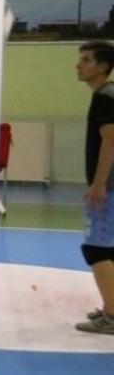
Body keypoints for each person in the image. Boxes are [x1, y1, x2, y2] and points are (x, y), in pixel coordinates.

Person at [75, 40, 114, 334]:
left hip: (110, 186)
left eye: (86, 60)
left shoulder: (104, 97)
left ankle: (111, 316)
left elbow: (110, 140)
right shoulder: (108, 94)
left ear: (102, 67)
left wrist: (99, 184)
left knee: (96, 249)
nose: (79, 65)